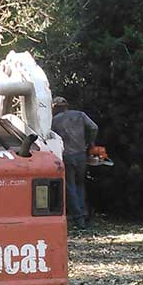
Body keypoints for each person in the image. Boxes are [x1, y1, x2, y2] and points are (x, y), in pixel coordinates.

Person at [51, 96, 98, 228]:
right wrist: (90, 142)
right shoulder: (80, 115)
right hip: (81, 154)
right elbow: (94, 127)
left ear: (54, 108)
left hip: (67, 155)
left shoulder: (54, 121)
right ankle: (83, 214)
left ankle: (78, 220)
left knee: (70, 186)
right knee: (80, 184)